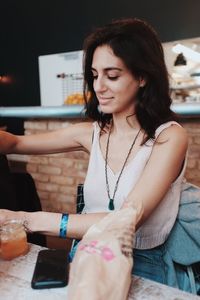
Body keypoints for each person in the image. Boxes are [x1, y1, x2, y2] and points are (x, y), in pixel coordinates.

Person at [0, 18, 188, 287]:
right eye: (94, 75)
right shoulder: (92, 133)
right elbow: (14, 143)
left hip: (143, 261)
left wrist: (26, 219)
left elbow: (127, 217)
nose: (98, 86)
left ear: (143, 76)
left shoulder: (169, 137)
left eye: (112, 76)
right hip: (86, 249)